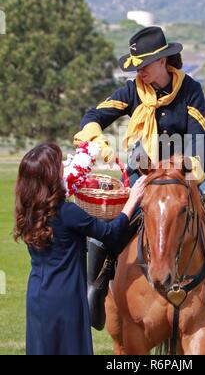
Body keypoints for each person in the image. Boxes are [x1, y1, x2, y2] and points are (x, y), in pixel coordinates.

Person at [74, 26, 205, 333]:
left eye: (144, 65)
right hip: (143, 176)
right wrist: (95, 136)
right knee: (100, 233)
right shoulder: (132, 89)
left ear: (163, 61)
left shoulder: (191, 90)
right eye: (136, 66)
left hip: (191, 176)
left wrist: (182, 166)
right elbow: (94, 115)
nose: (140, 72)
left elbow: (198, 138)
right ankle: (93, 295)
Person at [13, 142, 146, 355]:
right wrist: (132, 201)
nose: (64, 166)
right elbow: (111, 234)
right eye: (59, 164)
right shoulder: (68, 212)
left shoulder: (28, 210)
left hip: (37, 295)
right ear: (50, 175)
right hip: (66, 298)